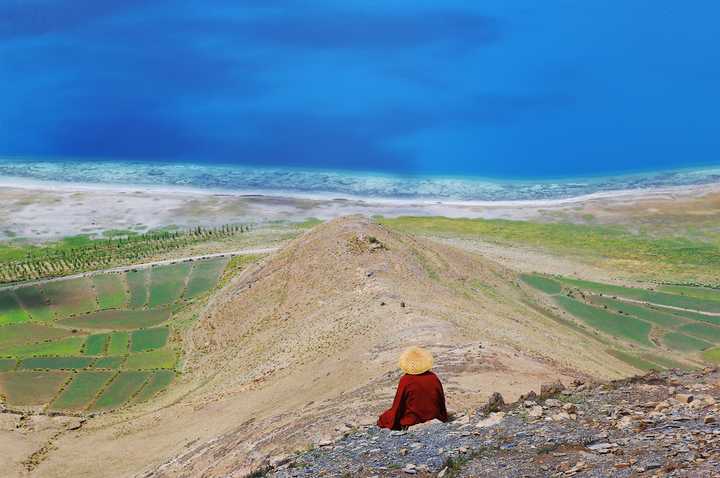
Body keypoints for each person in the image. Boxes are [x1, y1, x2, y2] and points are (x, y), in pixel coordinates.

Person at [377, 346, 448, 430]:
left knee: (385, 417)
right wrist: (443, 416)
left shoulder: (406, 380)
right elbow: (440, 400)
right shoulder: (433, 377)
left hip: (413, 419)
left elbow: (398, 405)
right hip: (434, 416)